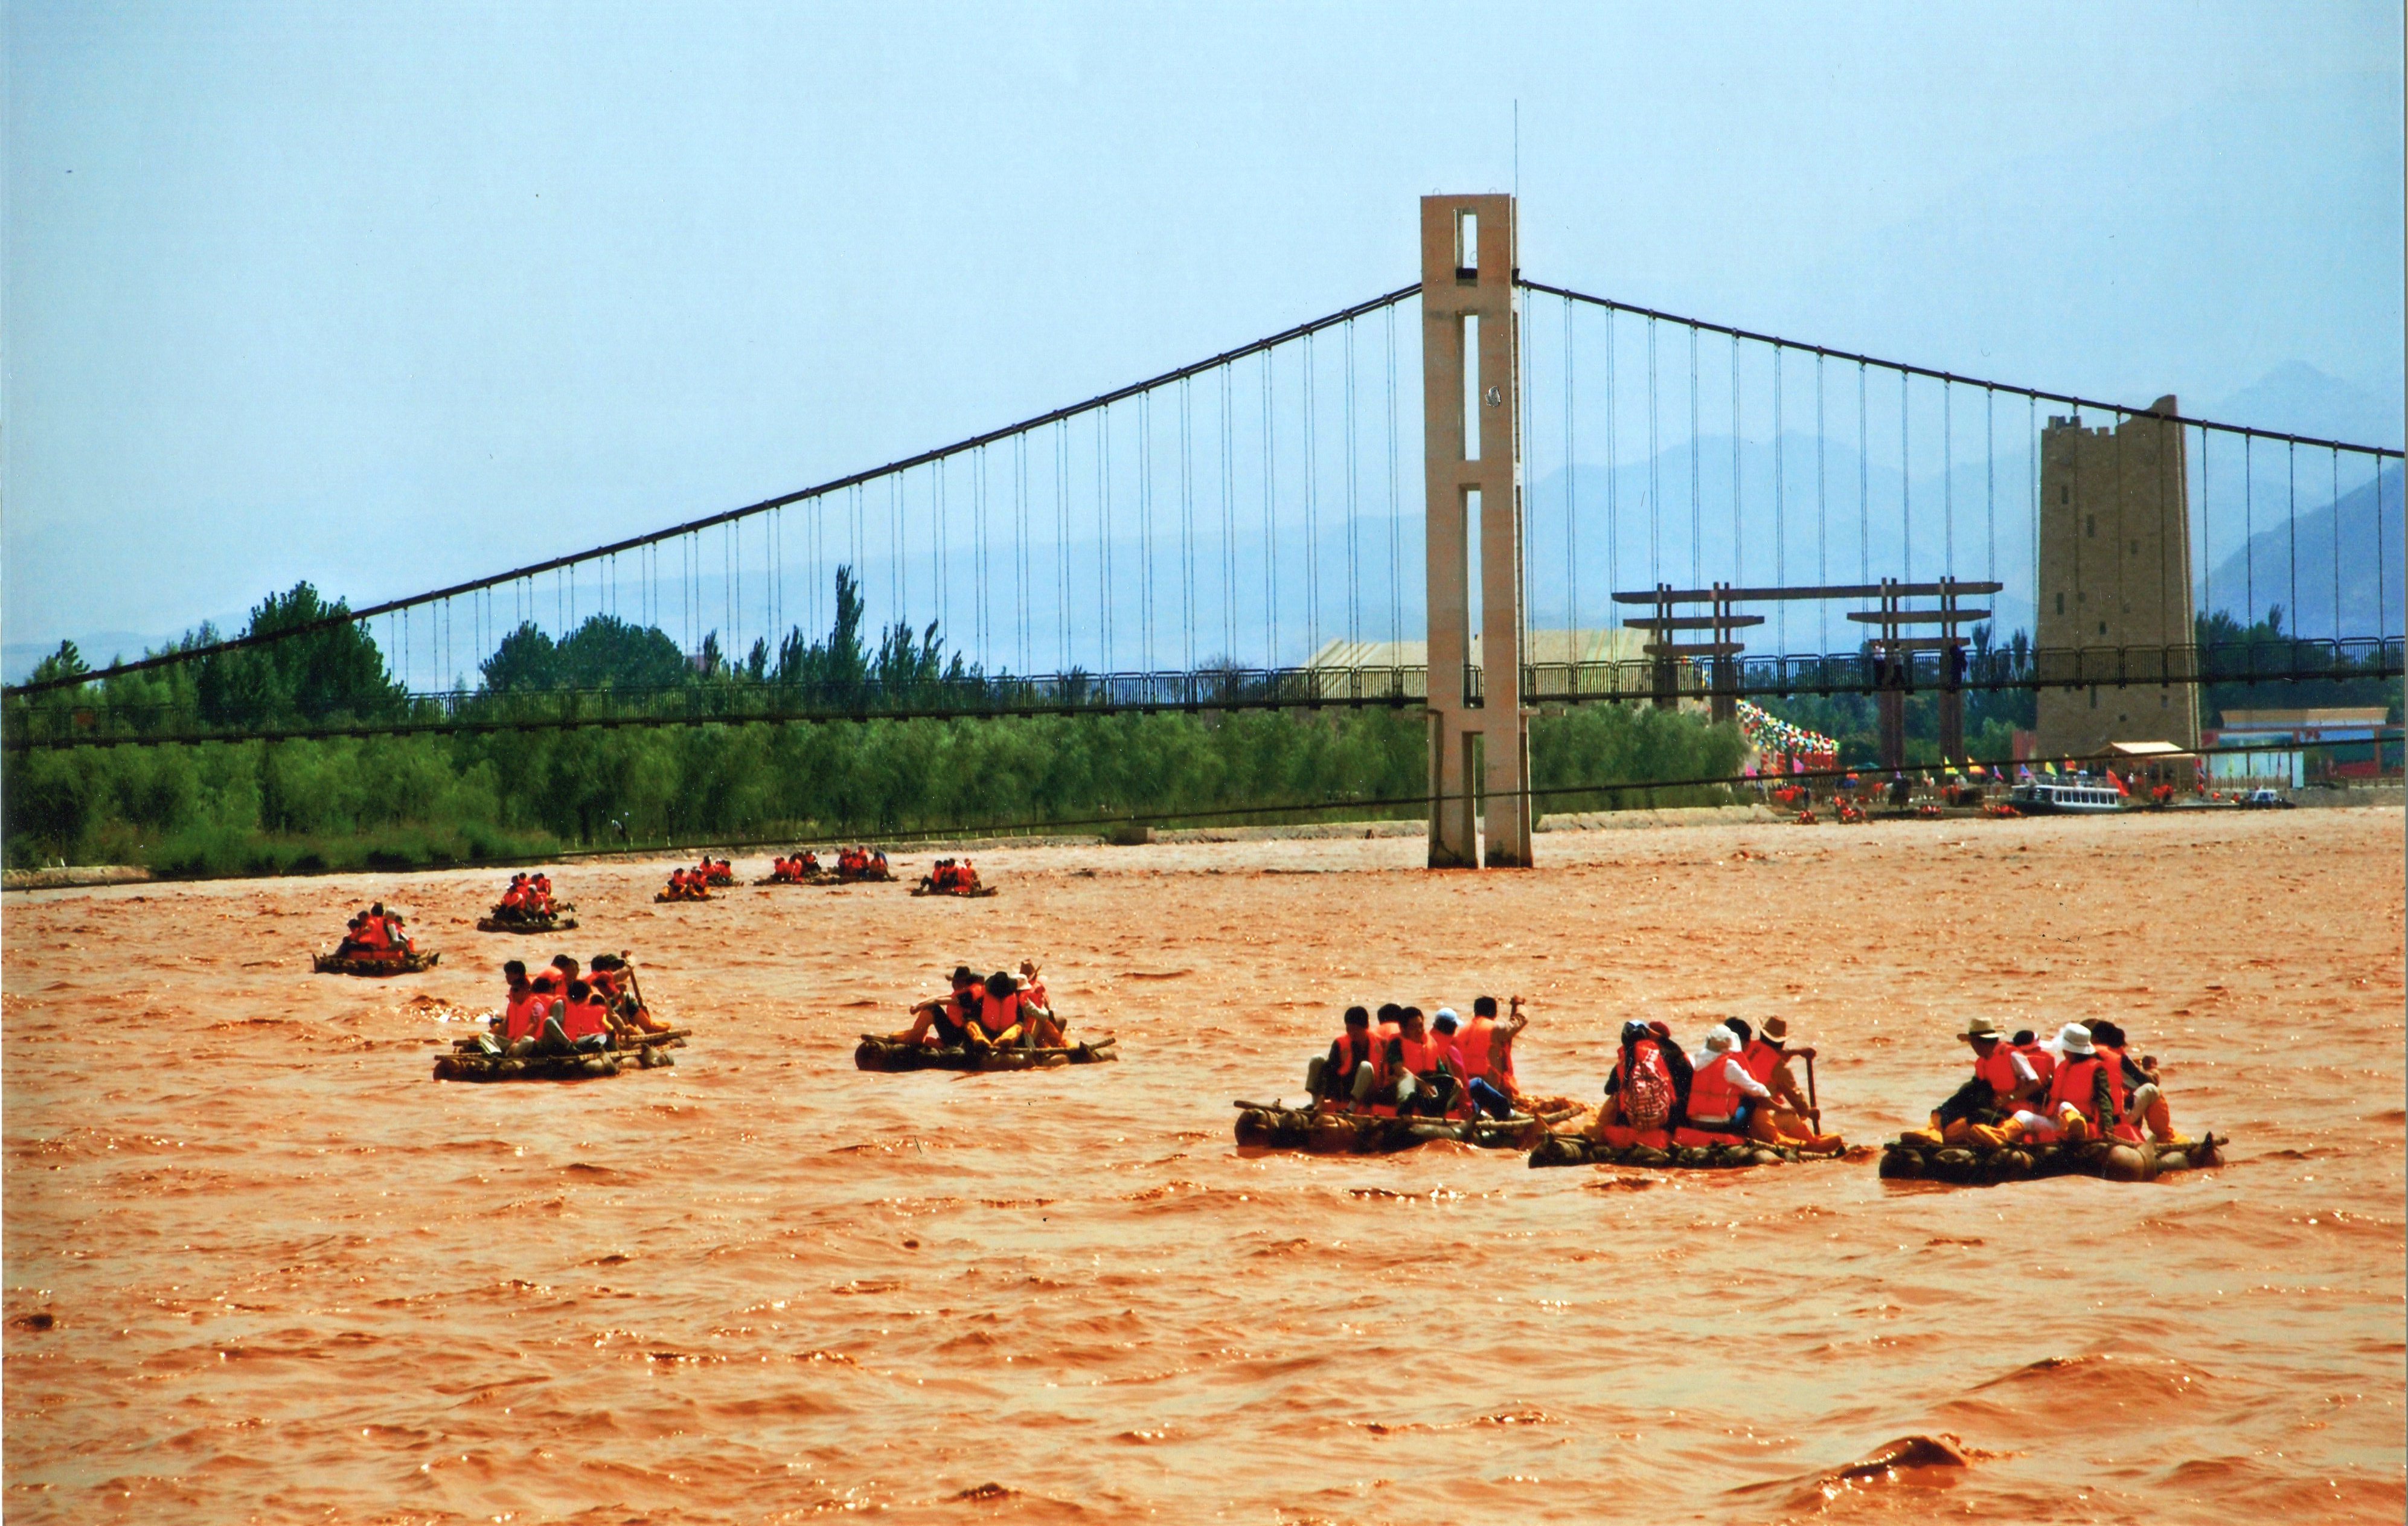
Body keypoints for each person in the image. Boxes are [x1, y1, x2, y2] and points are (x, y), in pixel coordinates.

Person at [2003, 1023, 2121, 1144]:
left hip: (2083, 1121)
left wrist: (2108, 1128)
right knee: (2023, 1116)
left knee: (2065, 1106)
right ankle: (1997, 1136)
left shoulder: (2097, 1069)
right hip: (2056, 1121)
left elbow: (2104, 1100)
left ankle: (2077, 1130)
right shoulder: (2062, 1067)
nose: (2064, 1051)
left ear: (2072, 1050)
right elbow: (2052, 1094)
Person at [1923, 1019, 2037, 1141]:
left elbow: (2036, 1084)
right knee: (1963, 1095)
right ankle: (1935, 1129)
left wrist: (2009, 1098)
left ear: (1980, 1042)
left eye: (1973, 1043)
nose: (1972, 1047)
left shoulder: (2011, 1055)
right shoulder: (1981, 1062)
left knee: (1976, 1114)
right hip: (1992, 1107)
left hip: (2011, 1111)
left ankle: (1948, 1133)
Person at [1683, 1026, 1774, 1136]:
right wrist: (1768, 1096)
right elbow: (1756, 1089)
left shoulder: (1695, 1060)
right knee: (1750, 1102)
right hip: (1719, 1125)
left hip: (1695, 1122)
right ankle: (1744, 1135)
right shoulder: (1729, 1065)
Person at [1599, 1019, 1682, 1136]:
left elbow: (1608, 1090)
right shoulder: (1659, 1056)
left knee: (1617, 1095)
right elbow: (1677, 1051)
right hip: (1664, 1120)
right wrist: (1659, 1037)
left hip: (1634, 1122)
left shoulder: (1623, 1062)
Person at [1454, 996, 1528, 1119]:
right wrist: (1519, 1005)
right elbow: (1519, 1022)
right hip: (1487, 1086)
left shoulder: (1462, 1030)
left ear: (1476, 1012)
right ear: (1495, 1013)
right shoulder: (1494, 1028)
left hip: (1466, 1085)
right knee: (1507, 1099)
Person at [1308, 1005, 1385, 1107]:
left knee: (1366, 1067)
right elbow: (1330, 1071)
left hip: (1369, 1091)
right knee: (1316, 1060)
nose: (1352, 1033)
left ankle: (1351, 1109)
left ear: (1366, 1026)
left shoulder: (1382, 1043)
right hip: (1345, 1088)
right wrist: (1324, 1096)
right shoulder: (1340, 1043)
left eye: (1356, 1029)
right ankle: (1314, 1103)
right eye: (1349, 1029)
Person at [895, 966, 982, 1047]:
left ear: (966, 983)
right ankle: (916, 1035)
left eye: (960, 982)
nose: (956, 984)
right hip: (954, 1033)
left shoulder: (967, 996)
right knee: (931, 1007)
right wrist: (918, 1004)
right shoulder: (960, 993)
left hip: (957, 1037)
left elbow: (938, 1001)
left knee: (933, 1008)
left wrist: (918, 1008)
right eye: (955, 981)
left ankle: (915, 1037)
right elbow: (938, 997)